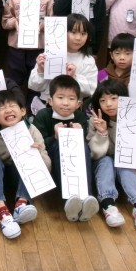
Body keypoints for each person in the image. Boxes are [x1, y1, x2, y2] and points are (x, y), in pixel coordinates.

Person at [0, 90, 51, 239]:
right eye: (2, 108)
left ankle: (21, 204)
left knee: (33, 158)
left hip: (19, 179)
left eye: (12, 106)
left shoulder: (31, 130)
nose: (8, 110)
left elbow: (47, 164)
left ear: (23, 111)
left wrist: (37, 155)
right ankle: (2, 212)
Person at [87, 80, 136, 231]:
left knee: (124, 164)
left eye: (113, 98)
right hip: (103, 164)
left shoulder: (134, 119)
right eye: (103, 100)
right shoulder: (95, 120)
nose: (108, 104)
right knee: (106, 160)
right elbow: (95, 154)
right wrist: (102, 133)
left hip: (123, 164)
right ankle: (108, 205)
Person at [32, 75, 99, 222]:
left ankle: (86, 197)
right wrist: (55, 138)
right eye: (60, 97)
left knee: (83, 147)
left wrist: (79, 136)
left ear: (78, 103)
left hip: (75, 160)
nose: (65, 103)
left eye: (71, 98)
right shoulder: (43, 115)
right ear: (50, 101)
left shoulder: (80, 117)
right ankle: (70, 202)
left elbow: (86, 146)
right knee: (60, 146)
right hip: (52, 159)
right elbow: (38, 144)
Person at [1, 0, 54, 103]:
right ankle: (15, 107)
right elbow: (5, 20)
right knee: (14, 80)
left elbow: (53, 22)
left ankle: (34, 110)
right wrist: (15, 23)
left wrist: (42, 25)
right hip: (16, 48)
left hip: (38, 48)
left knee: (37, 80)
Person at [28, 13, 97, 103]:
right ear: (63, 32)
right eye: (73, 32)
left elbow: (91, 90)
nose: (78, 38)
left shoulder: (88, 60)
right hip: (48, 103)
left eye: (83, 33)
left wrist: (74, 77)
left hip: (73, 106)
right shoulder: (49, 55)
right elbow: (33, 86)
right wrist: (40, 71)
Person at [97, 32, 136, 106]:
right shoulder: (102, 75)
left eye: (127, 53)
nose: (122, 58)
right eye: (117, 53)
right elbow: (96, 98)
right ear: (111, 55)